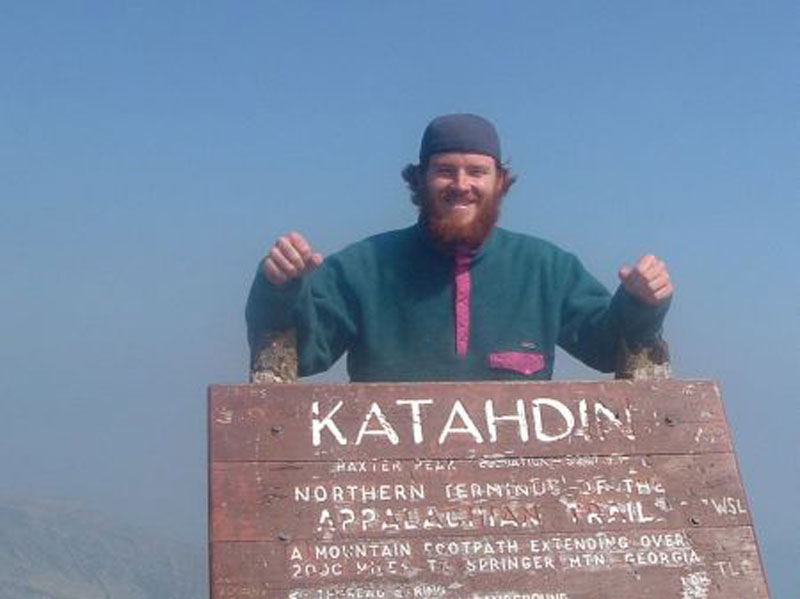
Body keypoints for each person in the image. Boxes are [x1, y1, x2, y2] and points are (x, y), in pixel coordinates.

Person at [246, 114, 673, 382]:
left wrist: (639, 303)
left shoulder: (547, 269)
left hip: (518, 502)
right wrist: (280, 287)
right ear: (419, 180)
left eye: (476, 172)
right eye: (445, 171)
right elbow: (301, 354)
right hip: (390, 498)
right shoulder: (363, 267)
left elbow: (605, 347)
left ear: (500, 182)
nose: (461, 185)